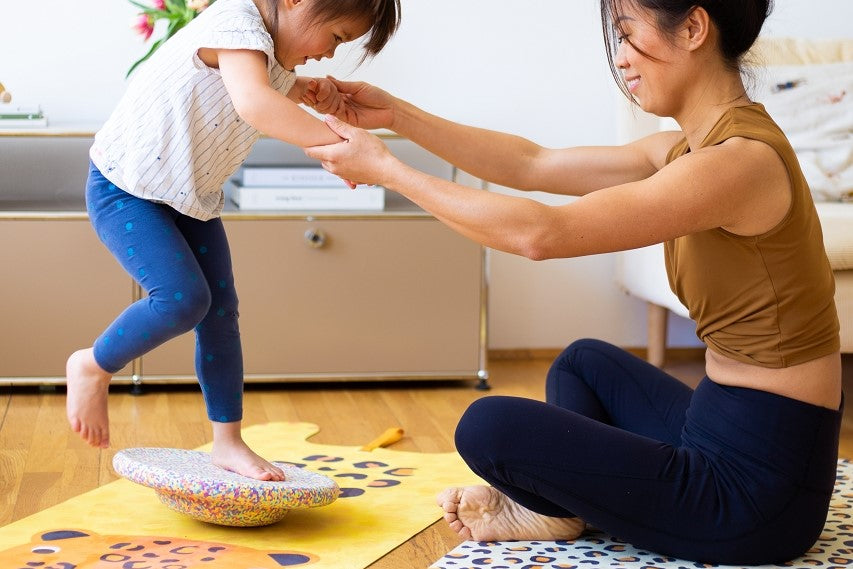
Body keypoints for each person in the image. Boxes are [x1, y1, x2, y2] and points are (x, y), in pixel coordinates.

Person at [301, 0, 843, 563]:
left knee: (488, 425)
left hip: (757, 498)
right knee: (584, 365)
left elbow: (541, 235)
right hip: (717, 424)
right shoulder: (689, 149)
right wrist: (397, 116)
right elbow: (532, 163)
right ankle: (563, 509)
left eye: (627, 34)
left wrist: (389, 171)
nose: (621, 58)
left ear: (693, 27)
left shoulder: (737, 164)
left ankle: (564, 503)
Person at [66, 0, 401, 481]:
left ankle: (227, 441)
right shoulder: (236, 21)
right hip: (127, 189)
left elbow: (267, 88)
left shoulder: (266, 56)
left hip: (190, 197)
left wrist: (309, 91)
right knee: (183, 300)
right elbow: (255, 103)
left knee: (221, 315)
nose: (330, 53)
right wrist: (341, 147)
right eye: (336, 37)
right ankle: (93, 364)